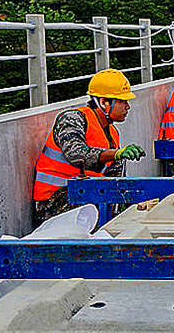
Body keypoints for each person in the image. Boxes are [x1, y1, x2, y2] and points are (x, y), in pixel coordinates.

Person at [33, 68, 145, 225]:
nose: (127, 107)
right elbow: (77, 155)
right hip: (56, 198)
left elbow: (112, 175)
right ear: (103, 103)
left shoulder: (112, 132)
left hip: (86, 192)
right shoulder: (72, 119)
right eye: (122, 101)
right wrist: (116, 154)